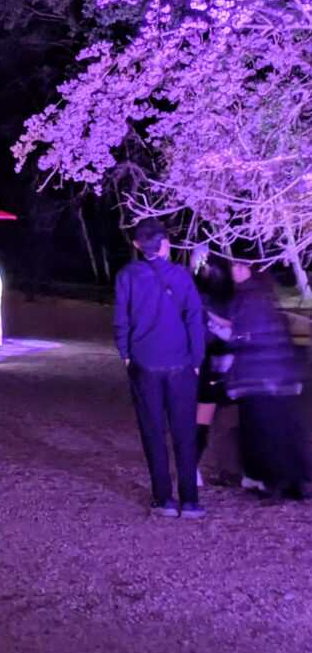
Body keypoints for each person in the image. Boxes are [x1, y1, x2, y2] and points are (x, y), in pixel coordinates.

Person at [113, 218, 206, 518]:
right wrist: (197, 359)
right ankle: (189, 500)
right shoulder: (181, 276)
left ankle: (163, 498)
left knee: (153, 431)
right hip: (180, 362)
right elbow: (195, 319)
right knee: (185, 432)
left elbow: (121, 319)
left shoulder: (127, 276)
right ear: (165, 244)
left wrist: (126, 353)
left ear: (137, 245)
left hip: (144, 361)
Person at [226, 262, 309, 500]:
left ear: (251, 270)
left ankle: (273, 481)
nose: (235, 271)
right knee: (281, 428)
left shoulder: (248, 297)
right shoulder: (260, 294)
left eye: (240, 267)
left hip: (259, 376)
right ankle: (290, 481)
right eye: (234, 267)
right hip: (273, 375)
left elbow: (249, 336)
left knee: (263, 431)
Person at [192, 252, 234, 485]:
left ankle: (199, 466)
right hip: (216, 362)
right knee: (206, 418)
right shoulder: (219, 296)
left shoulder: (205, 297)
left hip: (217, 361)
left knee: (210, 419)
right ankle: (195, 466)